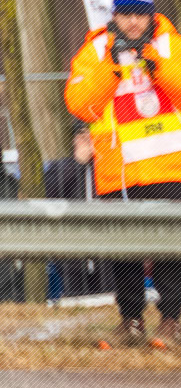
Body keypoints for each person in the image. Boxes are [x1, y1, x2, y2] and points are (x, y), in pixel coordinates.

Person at [64, 0, 181, 348]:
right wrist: (111, 70)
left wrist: (159, 66)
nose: (133, 21)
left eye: (140, 13)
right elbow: (80, 104)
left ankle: (171, 321)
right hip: (118, 171)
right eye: (126, 13)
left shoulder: (172, 45)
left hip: (169, 168)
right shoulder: (96, 50)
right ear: (114, 15)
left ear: (151, 14)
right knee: (124, 249)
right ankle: (130, 320)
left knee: (170, 248)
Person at [43, 123, 108, 298]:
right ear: (75, 140)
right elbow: (49, 193)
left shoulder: (107, 168)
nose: (88, 142)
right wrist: (78, 163)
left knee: (107, 297)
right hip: (71, 247)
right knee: (75, 297)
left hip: (105, 246)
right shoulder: (61, 167)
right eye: (82, 137)